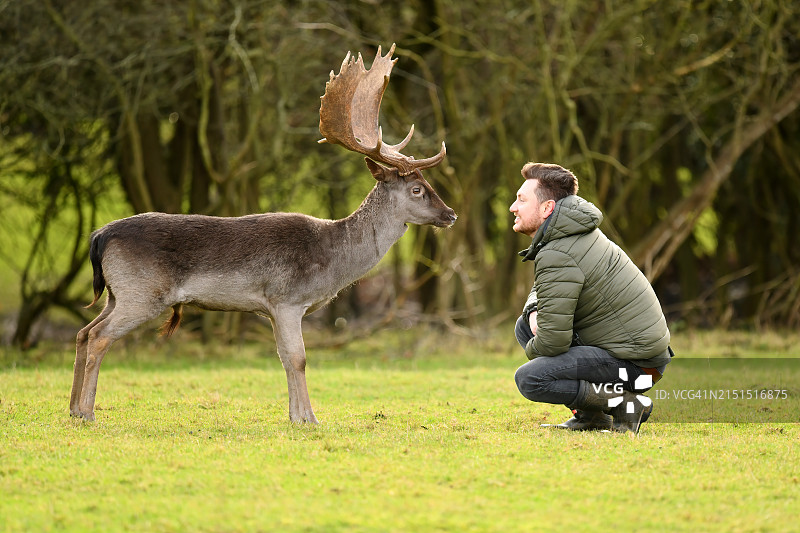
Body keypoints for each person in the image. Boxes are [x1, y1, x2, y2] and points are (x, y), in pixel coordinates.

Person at [509, 162, 672, 433]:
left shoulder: (559, 251)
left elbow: (553, 342)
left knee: (532, 378)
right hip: (638, 357)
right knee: (525, 326)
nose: (513, 208)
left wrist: (537, 354)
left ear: (547, 208)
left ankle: (627, 404)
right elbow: (545, 289)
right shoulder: (569, 236)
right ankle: (591, 417)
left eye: (521, 200)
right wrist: (536, 312)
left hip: (637, 365)